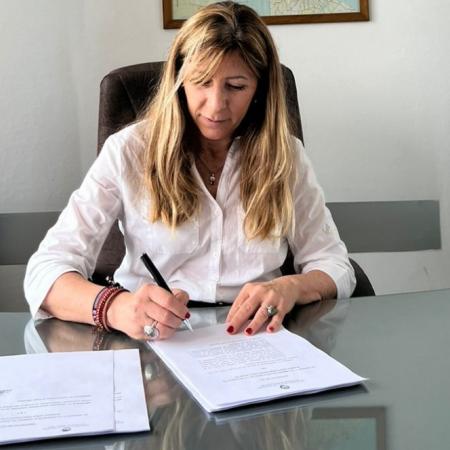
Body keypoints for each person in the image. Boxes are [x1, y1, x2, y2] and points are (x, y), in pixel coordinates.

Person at [24, 1, 355, 341]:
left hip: (255, 338)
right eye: (201, 82)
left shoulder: (286, 156)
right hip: (150, 339)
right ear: (179, 80)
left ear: (259, 89)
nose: (216, 105)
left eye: (236, 86)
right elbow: (45, 272)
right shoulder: (129, 150)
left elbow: (335, 266)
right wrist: (117, 308)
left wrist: (291, 287)